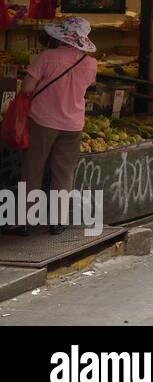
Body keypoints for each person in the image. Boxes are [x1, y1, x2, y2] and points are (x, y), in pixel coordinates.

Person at [11, 18, 98, 235]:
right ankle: (58, 221)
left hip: (43, 121)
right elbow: (87, 87)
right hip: (73, 124)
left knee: (33, 169)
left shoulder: (47, 57)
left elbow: (27, 89)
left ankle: (26, 220)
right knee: (64, 173)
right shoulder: (90, 63)